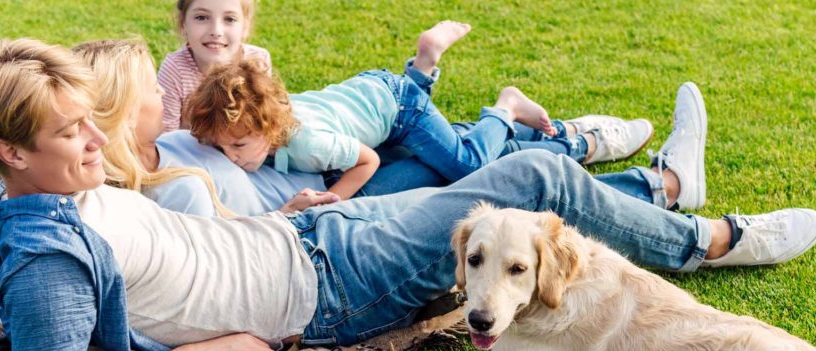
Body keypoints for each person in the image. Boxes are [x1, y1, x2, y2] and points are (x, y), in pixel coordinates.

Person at [0, 39, 816, 351]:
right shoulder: (45, 260)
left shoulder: (30, 196)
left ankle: (640, 179)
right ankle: (706, 232)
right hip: (327, 287)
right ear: (10, 151)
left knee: (438, 166)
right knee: (531, 183)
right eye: (72, 133)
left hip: (309, 237)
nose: (99, 140)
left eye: (89, 122)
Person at [76, 38, 657, 216]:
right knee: (462, 180)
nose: (164, 89)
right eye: (151, 89)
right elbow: (225, 250)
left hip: (353, 144)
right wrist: (296, 213)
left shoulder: (174, 141)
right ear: (125, 112)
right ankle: (610, 166)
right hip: (329, 201)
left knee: (463, 165)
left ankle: (546, 132)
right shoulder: (153, 194)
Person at [187, 21, 632, 199]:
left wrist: (331, 200)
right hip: (374, 96)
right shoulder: (268, 124)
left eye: (239, 146)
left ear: (268, 127)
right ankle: (424, 64)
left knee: (466, 163)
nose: (234, 158)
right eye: (224, 150)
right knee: (430, 143)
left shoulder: (307, 144)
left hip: (398, 110)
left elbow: (369, 159)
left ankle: (505, 106)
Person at [158, 0, 271, 132]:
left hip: (243, 150)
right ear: (183, 23)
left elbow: (264, 123)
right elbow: (165, 138)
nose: (216, 31)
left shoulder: (258, 61)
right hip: (190, 150)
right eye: (201, 17)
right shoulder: (174, 69)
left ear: (245, 27)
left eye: (229, 19)